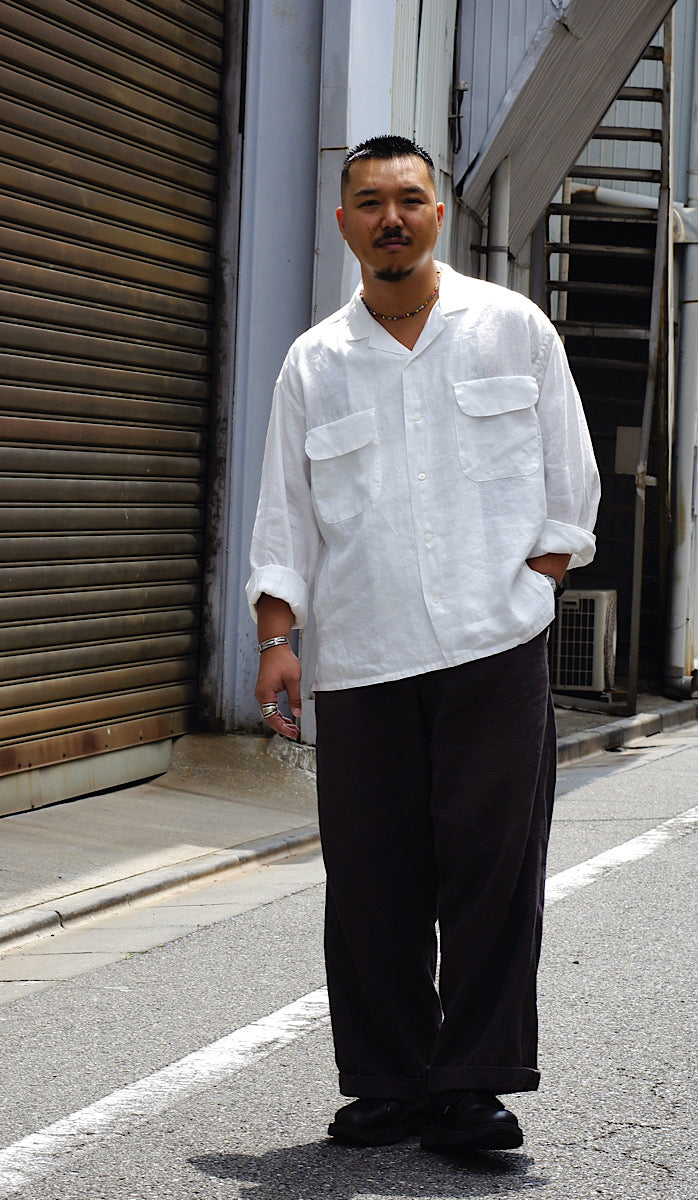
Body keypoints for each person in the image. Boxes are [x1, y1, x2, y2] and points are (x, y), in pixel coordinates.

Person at [247, 135, 600, 1152]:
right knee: (371, 878)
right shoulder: (315, 363)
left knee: (492, 869)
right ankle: (388, 1081)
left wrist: (537, 584)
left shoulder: (509, 329)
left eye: (408, 198)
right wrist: (279, 636)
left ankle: (472, 1083)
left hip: (494, 647)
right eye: (368, 201)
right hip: (359, 656)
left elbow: (566, 480)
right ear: (343, 222)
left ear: (437, 213)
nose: (389, 216)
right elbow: (287, 511)